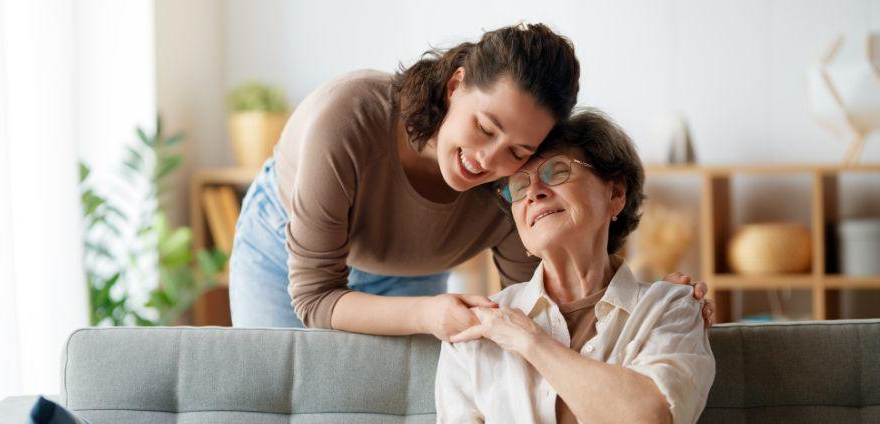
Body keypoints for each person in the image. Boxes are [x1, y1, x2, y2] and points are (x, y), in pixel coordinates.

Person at [228, 22, 715, 339]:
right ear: (456, 85)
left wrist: (655, 306)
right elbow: (315, 298)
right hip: (287, 252)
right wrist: (426, 315)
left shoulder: (514, 188)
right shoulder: (349, 119)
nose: (486, 160)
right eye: (484, 127)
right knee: (275, 402)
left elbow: (547, 307)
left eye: (518, 151)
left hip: (410, 273)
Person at [427, 110, 734, 424]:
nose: (534, 192)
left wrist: (531, 342)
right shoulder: (479, 325)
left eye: (556, 171)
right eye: (519, 186)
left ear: (615, 193)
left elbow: (650, 421)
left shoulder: (668, 307)